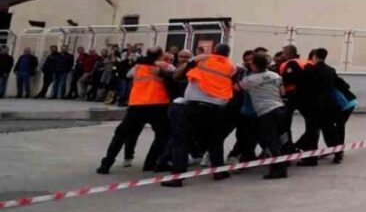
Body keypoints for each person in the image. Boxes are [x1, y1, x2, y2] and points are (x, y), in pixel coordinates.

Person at [162, 43, 237, 187]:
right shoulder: (231, 66)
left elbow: (177, 76)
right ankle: (218, 171)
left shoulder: (202, 59)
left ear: (214, 51)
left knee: (181, 140)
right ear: (227, 54)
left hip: (194, 106)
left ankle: (177, 176)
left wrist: (191, 61)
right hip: (217, 108)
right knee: (215, 141)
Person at [96, 47, 174, 174]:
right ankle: (150, 163)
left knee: (121, 134)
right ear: (160, 55)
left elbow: (128, 75)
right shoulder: (164, 66)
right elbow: (174, 74)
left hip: (137, 104)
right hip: (157, 104)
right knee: (163, 134)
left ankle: (106, 164)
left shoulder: (138, 67)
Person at [238, 51, 290, 180]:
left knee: (269, 141)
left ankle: (279, 169)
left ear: (255, 65)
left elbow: (236, 88)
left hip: (267, 111)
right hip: (280, 108)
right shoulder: (275, 75)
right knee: (275, 139)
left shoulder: (251, 79)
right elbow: (282, 92)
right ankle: (280, 164)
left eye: (251, 63)